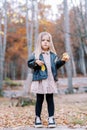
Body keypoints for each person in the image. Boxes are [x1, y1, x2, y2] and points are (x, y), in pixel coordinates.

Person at [27, 32, 69, 128]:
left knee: (50, 99)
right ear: (39, 42)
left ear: (50, 42)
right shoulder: (36, 54)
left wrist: (62, 61)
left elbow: (55, 66)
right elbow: (29, 64)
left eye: (48, 40)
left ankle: (51, 118)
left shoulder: (53, 55)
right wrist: (36, 62)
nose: (45, 42)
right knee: (39, 99)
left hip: (50, 79)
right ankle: (37, 118)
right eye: (43, 40)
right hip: (40, 79)